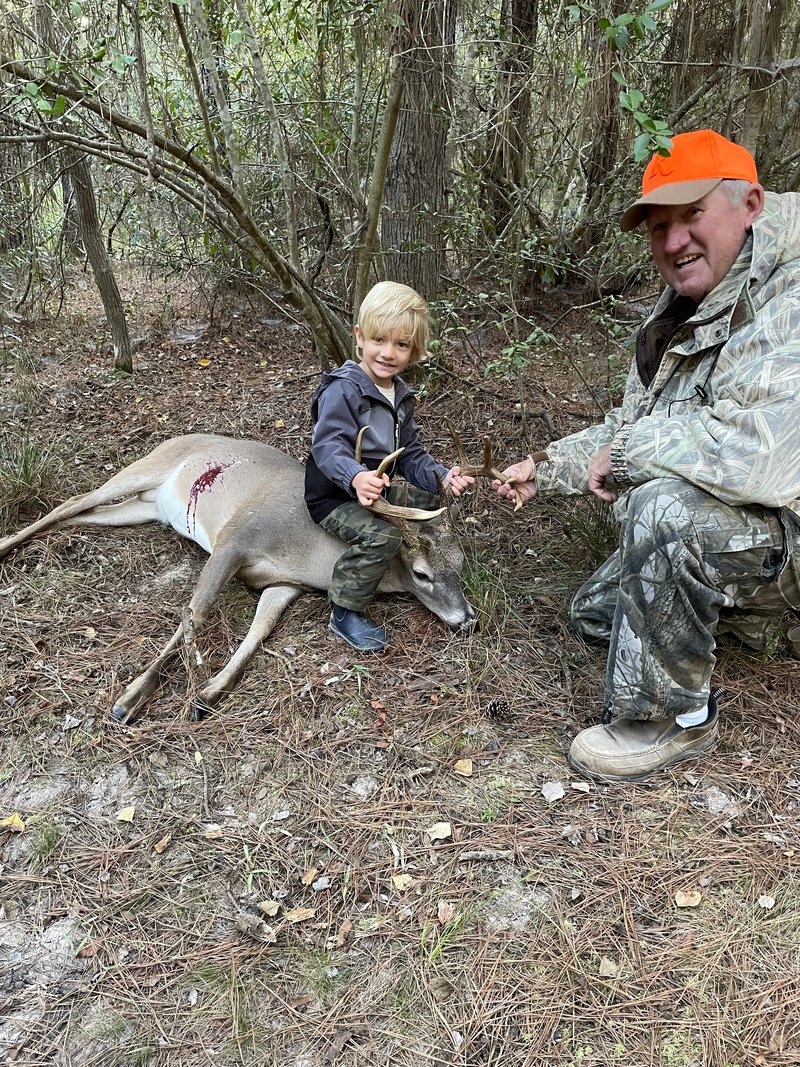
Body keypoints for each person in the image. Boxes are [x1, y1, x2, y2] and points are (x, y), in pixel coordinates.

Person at [495, 128, 800, 783]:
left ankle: (669, 719)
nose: (673, 241)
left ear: (750, 204)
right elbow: (633, 426)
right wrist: (546, 467)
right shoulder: (692, 302)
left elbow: (759, 457)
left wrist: (628, 456)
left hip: (788, 522)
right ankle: (751, 628)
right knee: (598, 612)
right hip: (757, 529)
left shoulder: (788, 292)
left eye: (692, 215)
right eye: (659, 227)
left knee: (663, 510)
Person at [305, 280, 474, 652]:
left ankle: (435, 574)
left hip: (375, 487)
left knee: (432, 504)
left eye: (401, 345)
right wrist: (355, 477)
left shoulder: (399, 394)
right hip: (334, 495)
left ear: (414, 351)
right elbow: (327, 446)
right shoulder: (344, 389)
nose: (388, 353)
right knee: (383, 537)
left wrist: (442, 476)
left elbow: (410, 453)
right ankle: (344, 610)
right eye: (379, 340)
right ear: (359, 337)